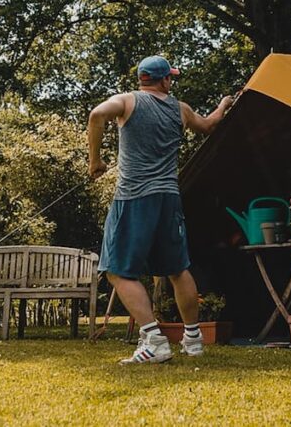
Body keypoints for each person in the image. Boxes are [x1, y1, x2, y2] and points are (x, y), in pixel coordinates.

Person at [87, 55, 235, 364]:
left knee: (116, 271)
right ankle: (193, 339)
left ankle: (154, 340)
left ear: (142, 79)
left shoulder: (127, 102)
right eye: (170, 77)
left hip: (134, 198)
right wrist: (224, 104)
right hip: (168, 198)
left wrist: (95, 161)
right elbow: (209, 125)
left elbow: (96, 114)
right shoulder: (180, 109)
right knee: (177, 269)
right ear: (164, 80)